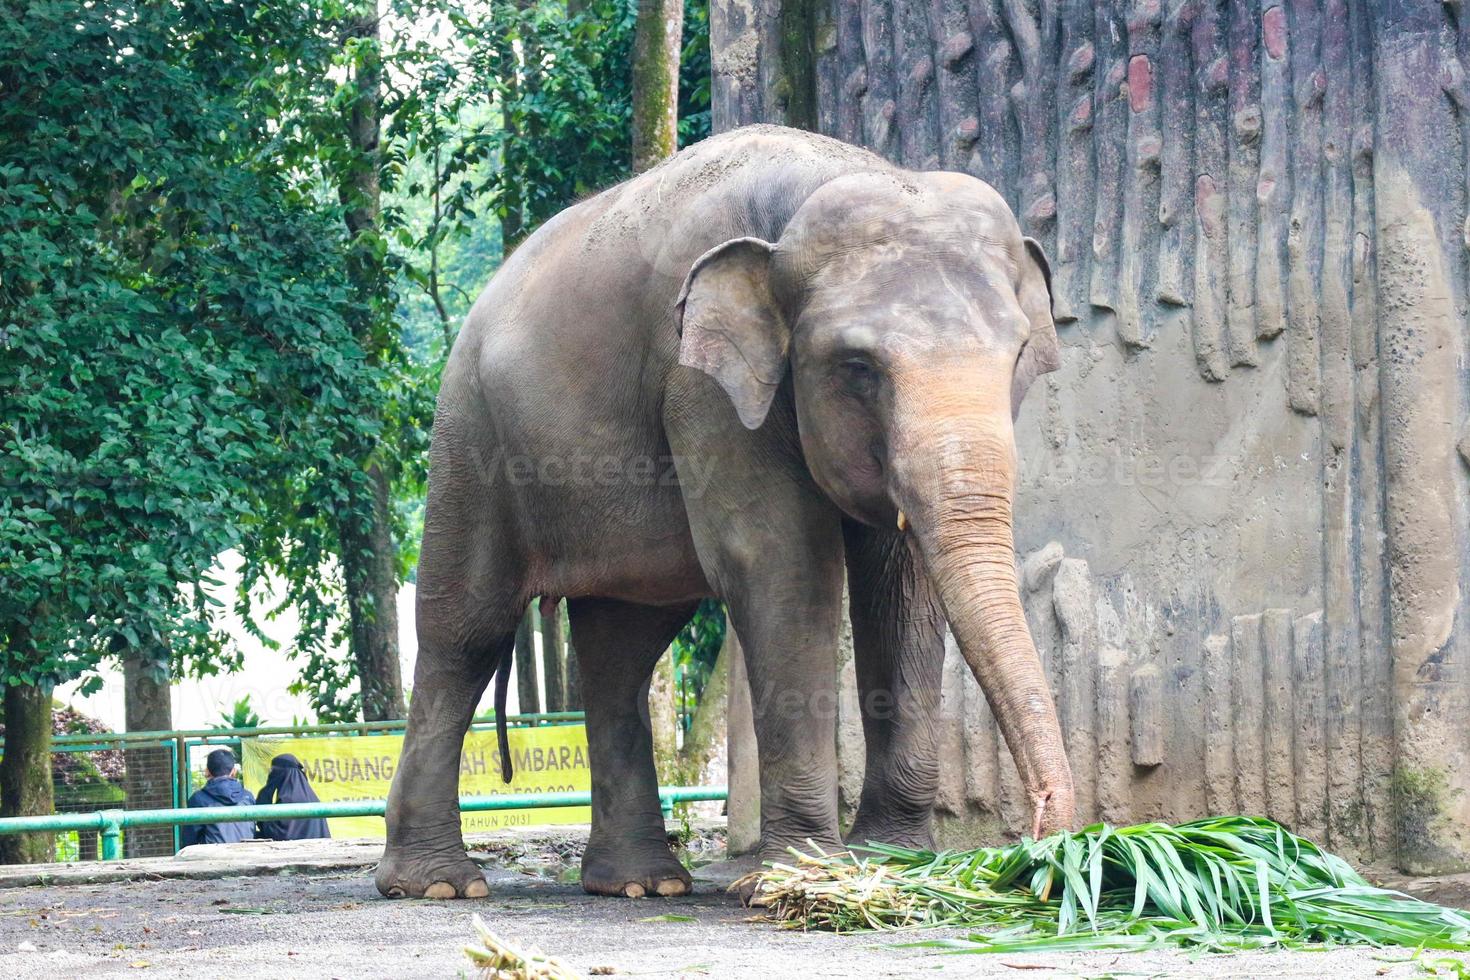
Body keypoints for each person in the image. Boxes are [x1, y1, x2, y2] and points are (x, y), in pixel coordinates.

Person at [181, 748, 256, 846]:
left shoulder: (198, 799)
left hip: (213, 858)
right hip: (247, 855)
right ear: (234, 771)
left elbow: (189, 840)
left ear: (207, 771)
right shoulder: (248, 797)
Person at [256, 753, 330, 841]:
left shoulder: (288, 800)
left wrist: (265, 794)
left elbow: (277, 833)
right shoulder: (312, 798)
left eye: (273, 771)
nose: (271, 774)